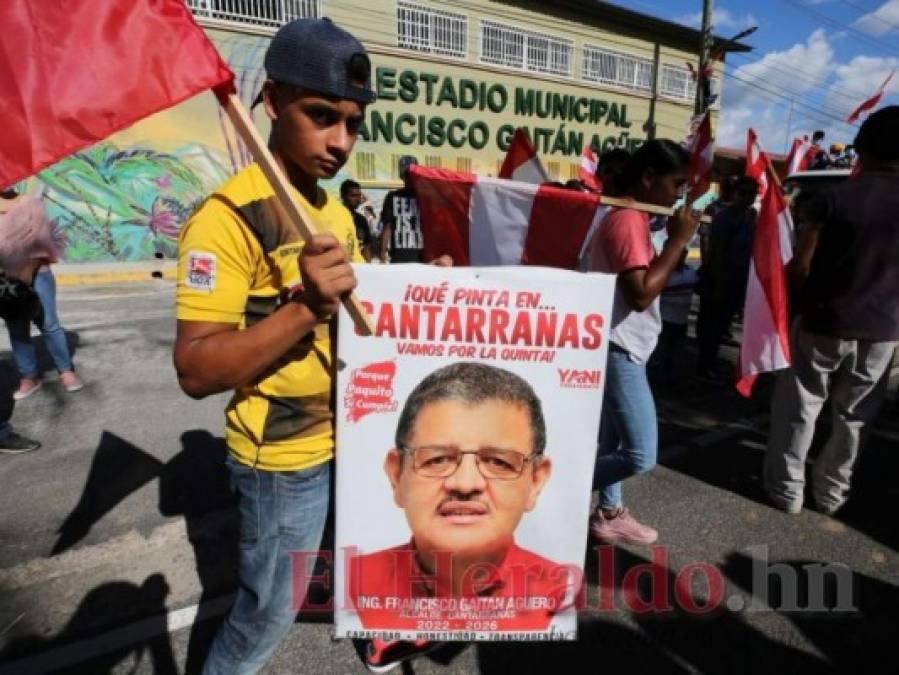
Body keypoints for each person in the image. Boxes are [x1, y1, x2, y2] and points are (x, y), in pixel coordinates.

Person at [173, 18, 372, 674]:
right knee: (265, 615)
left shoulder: (334, 209)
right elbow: (196, 368)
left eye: (353, 122)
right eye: (321, 115)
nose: (340, 141)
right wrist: (303, 308)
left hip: (351, 435)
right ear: (274, 101)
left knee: (349, 560)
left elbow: (358, 318)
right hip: (281, 461)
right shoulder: (229, 217)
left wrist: (432, 297)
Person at [349, 362, 574, 670]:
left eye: (498, 461)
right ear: (396, 475)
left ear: (536, 481)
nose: (465, 484)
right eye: (437, 459)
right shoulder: (355, 580)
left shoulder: (558, 589)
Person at [764, 106, 899, 516]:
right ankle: (831, 494)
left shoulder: (831, 200)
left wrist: (802, 302)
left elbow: (800, 265)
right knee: (855, 419)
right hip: (884, 331)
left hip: (824, 321)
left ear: (862, 149)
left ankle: (788, 492)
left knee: (799, 409)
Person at [584, 140, 699, 545]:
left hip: (619, 343)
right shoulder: (628, 219)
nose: (679, 195)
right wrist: (677, 242)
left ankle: (610, 512)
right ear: (649, 178)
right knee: (640, 453)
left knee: (611, 439)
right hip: (618, 347)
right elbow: (640, 295)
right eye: (675, 184)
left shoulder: (628, 216)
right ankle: (555, 495)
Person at [0, 189, 82, 399]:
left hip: (37, 273)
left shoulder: (30, 203)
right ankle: (29, 377)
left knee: (49, 324)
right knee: (17, 328)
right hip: (5, 279)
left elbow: (42, 241)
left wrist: (24, 272)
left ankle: (65, 371)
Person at [696, 176, 759, 379]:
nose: (748, 198)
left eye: (752, 194)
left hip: (739, 281)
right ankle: (704, 367)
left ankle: (710, 364)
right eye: (743, 193)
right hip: (720, 280)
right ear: (735, 193)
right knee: (711, 327)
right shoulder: (725, 217)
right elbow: (717, 251)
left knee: (722, 326)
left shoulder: (751, 217)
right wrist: (717, 281)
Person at [653, 249, 698, 384]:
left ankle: (671, 379)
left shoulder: (690, 274)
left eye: (682, 254)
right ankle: (659, 379)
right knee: (662, 352)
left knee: (675, 354)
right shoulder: (661, 274)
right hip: (664, 321)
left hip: (680, 322)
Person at [380, 155, 423, 264]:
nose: (410, 177)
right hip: (398, 260)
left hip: (422, 260)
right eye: (407, 174)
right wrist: (382, 256)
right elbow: (387, 227)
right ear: (402, 176)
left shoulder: (425, 197)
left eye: (413, 174)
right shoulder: (392, 196)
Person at [340, 179, 373, 262]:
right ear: (343, 196)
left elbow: (366, 245)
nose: (358, 199)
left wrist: (369, 266)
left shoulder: (361, 220)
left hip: (360, 266)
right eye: (353, 196)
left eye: (359, 195)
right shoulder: (336, 216)